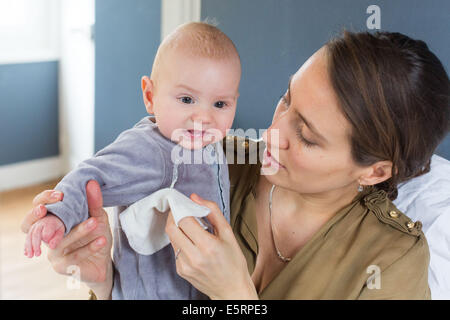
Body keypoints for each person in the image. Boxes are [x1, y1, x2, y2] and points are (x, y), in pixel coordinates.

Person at [22, 30, 449, 299]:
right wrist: (103, 281)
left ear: (374, 171)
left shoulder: (391, 261)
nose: (273, 132)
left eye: (306, 136)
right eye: (286, 98)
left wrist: (236, 297)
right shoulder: (211, 160)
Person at [21, 22, 242, 299]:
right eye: (187, 99)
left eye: (220, 104)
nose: (203, 117)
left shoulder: (210, 145)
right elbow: (91, 176)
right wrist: (58, 215)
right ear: (150, 96)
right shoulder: (151, 149)